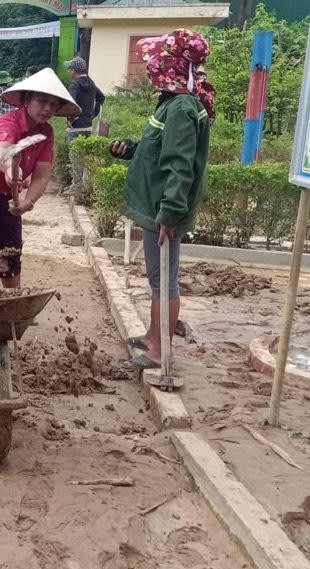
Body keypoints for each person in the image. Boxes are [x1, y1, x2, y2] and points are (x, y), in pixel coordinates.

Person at [106, 29, 214, 369]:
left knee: (163, 280)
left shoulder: (182, 107)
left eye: (155, 61)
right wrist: (132, 150)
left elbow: (180, 166)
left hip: (163, 209)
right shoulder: (174, 101)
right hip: (160, 205)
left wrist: (169, 212)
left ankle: (160, 349)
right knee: (158, 278)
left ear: (170, 65)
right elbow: (161, 151)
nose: (150, 67)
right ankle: (154, 336)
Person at [0, 69, 79, 287]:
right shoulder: (8, 123)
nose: (48, 108)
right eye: (42, 101)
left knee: (11, 255)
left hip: (6, 199)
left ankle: (13, 306)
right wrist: (9, 168)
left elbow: (41, 176)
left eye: (54, 104)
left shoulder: (46, 133)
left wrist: (26, 202)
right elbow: (1, 149)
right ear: (26, 100)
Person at [65, 57, 105, 140]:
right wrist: (94, 114)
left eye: (69, 69)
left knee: (74, 152)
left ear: (73, 70)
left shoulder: (75, 84)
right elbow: (101, 97)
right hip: (88, 126)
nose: (68, 72)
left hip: (75, 126)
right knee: (84, 152)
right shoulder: (91, 83)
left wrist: (70, 119)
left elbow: (71, 102)